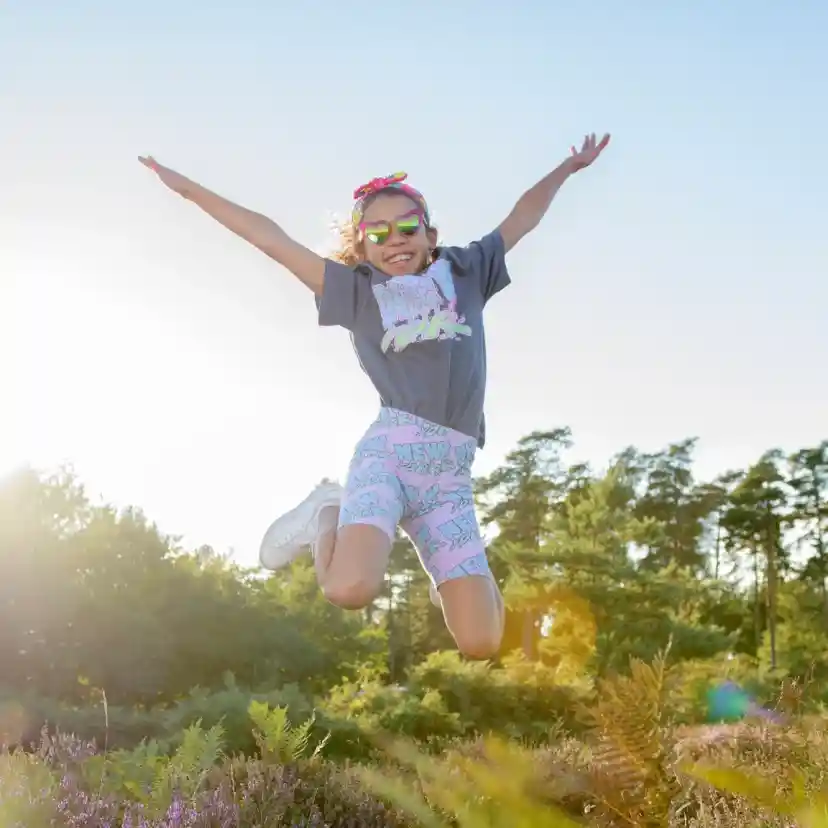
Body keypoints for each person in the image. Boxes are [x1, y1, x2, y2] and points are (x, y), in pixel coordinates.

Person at [139, 132, 610, 659]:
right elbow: (268, 238)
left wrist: (567, 169)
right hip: (389, 459)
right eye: (378, 233)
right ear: (361, 246)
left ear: (430, 234)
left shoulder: (467, 271)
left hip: (449, 481)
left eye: (408, 228)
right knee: (348, 590)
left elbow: (523, 216)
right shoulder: (358, 293)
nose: (396, 240)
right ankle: (326, 512)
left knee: (482, 642)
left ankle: (449, 567)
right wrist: (187, 190)